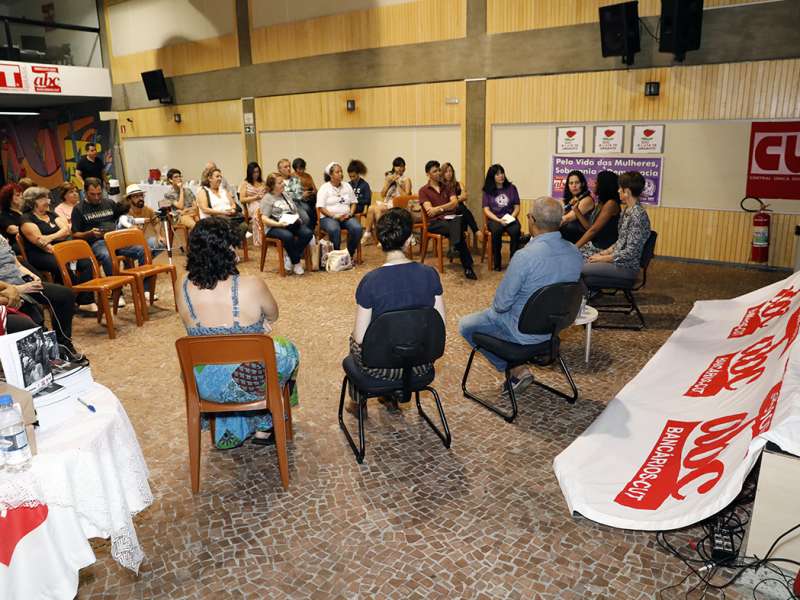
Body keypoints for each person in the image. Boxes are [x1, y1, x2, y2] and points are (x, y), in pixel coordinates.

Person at [177, 217, 300, 450]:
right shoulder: (251, 284)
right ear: (228, 250)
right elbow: (273, 316)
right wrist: (255, 326)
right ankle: (268, 422)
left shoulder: (182, 283)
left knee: (233, 359)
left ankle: (231, 427)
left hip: (203, 383)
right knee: (288, 351)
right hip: (249, 383)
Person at [459, 196, 583, 390]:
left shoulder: (525, 257)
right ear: (560, 222)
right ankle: (517, 369)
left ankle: (515, 369)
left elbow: (501, 305)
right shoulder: (575, 253)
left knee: (466, 325)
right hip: (553, 330)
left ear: (530, 219)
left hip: (521, 332)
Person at [346, 208, 445, 415]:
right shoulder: (430, 274)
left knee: (354, 340)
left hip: (380, 367)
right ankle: (390, 396)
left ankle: (358, 403)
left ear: (380, 242)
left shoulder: (370, 281)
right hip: (421, 363)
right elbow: (439, 327)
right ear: (409, 240)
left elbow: (362, 337)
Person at [0, 234, 81, 357]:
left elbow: (16, 264)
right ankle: (46, 351)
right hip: (6, 289)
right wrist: (18, 289)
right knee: (31, 315)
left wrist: (31, 275)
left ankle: (63, 344)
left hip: (20, 280)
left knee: (65, 295)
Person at [19, 186, 96, 310]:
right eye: (44, 199)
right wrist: (54, 240)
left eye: (47, 198)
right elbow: (41, 244)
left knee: (85, 262)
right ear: (33, 202)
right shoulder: (26, 220)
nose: (48, 201)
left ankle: (85, 300)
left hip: (61, 249)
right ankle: (70, 298)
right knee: (61, 264)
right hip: (40, 255)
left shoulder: (51, 214)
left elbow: (66, 231)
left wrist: (49, 237)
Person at [71, 177, 146, 304]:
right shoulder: (79, 209)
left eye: (99, 194)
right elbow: (75, 234)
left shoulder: (109, 203)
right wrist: (89, 233)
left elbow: (122, 217)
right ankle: (117, 292)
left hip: (115, 239)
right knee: (107, 256)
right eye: (92, 194)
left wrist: (129, 224)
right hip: (97, 242)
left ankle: (146, 289)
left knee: (142, 249)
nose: (96, 197)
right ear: (85, 192)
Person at [582, 171, 652, 283]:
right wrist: (604, 252)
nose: (618, 190)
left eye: (620, 188)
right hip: (617, 260)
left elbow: (630, 253)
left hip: (626, 267)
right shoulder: (628, 210)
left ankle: (583, 298)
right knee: (581, 260)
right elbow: (621, 241)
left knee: (579, 267)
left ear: (627, 192)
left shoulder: (637, 215)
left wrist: (602, 258)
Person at [418, 160, 476, 280]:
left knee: (457, 221)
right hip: (434, 223)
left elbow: (455, 203)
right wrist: (445, 207)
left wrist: (439, 209)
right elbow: (429, 210)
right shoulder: (423, 190)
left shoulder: (447, 187)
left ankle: (463, 257)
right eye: (435, 171)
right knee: (456, 228)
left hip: (450, 219)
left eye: (439, 170)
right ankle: (467, 265)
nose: (438, 173)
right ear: (428, 174)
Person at [259, 172, 313, 275]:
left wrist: (297, 217)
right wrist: (279, 224)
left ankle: (290, 256)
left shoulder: (285, 195)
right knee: (288, 236)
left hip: (289, 224)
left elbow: (294, 209)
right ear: (272, 186)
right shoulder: (267, 198)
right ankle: (296, 262)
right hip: (273, 227)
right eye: (280, 183)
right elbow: (264, 219)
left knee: (308, 233)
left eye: (282, 182)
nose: (283, 184)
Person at [317, 162, 363, 258]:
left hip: (346, 217)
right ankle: (336, 255)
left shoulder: (347, 186)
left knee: (357, 228)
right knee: (334, 229)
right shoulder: (324, 188)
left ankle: (349, 254)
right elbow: (320, 207)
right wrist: (334, 216)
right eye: (337, 172)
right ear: (330, 175)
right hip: (328, 217)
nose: (341, 174)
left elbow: (354, 202)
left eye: (341, 171)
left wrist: (350, 213)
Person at [482, 164, 522, 271]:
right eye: (497, 174)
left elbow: (517, 207)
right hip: (495, 219)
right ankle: (497, 261)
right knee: (496, 230)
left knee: (515, 230)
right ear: (492, 177)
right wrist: (499, 220)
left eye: (502, 173)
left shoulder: (512, 188)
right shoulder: (487, 191)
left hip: (510, 217)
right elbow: (486, 210)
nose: (501, 176)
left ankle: (514, 261)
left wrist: (510, 218)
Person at [364, 157, 412, 245]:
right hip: (388, 202)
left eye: (402, 166)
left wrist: (397, 183)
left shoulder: (406, 179)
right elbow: (382, 194)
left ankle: (381, 236)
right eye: (397, 166)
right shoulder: (389, 178)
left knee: (377, 209)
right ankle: (368, 233)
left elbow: (407, 196)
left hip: (398, 204)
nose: (400, 169)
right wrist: (389, 183)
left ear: (405, 168)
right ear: (393, 167)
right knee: (371, 208)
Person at [574, 170, 621, 251]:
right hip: (595, 245)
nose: (593, 185)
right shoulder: (601, 203)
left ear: (603, 185)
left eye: (596, 183)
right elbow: (589, 227)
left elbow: (593, 230)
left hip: (604, 249)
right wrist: (576, 210)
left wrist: (574, 247)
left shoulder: (611, 204)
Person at [196, 167, 249, 238]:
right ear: (209, 178)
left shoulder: (223, 191)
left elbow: (233, 204)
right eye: (217, 176)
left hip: (229, 218)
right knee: (227, 227)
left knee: (244, 226)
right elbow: (205, 209)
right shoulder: (203, 191)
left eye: (221, 177)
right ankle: (228, 244)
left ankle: (228, 244)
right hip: (212, 220)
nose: (220, 179)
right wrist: (222, 213)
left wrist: (233, 210)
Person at [441, 162, 479, 239]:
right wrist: (456, 199)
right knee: (462, 208)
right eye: (446, 171)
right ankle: (476, 231)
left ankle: (457, 245)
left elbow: (464, 196)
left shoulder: (459, 183)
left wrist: (453, 200)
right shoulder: (441, 186)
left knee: (462, 211)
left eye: (450, 171)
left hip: (459, 212)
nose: (449, 173)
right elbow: (444, 201)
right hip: (447, 211)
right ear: (442, 173)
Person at [560, 170, 594, 244]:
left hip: (580, 238)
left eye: (577, 182)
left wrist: (548, 227)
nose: (574, 186)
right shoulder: (568, 200)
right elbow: (560, 215)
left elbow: (567, 218)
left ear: (583, 184)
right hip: (567, 236)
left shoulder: (587, 200)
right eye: (571, 183)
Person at [239, 162, 267, 247]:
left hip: (264, 202)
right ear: (250, 173)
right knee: (258, 213)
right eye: (254, 172)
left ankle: (269, 237)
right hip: (253, 204)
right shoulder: (245, 183)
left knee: (269, 211)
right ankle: (260, 240)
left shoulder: (263, 182)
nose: (256, 174)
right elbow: (242, 199)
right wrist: (255, 197)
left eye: (257, 172)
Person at [0, 183, 25, 250]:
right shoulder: (4, 215)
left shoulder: (24, 211)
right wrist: (30, 228)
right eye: (17, 195)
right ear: (9, 198)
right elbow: (12, 229)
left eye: (21, 194)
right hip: (16, 246)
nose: (21, 197)